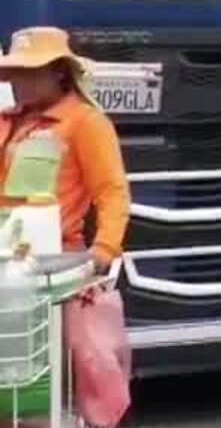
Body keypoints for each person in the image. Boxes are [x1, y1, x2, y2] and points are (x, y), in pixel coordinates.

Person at [0, 27, 130, 274]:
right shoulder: (5, 121)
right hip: (5, 260)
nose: (20, 80)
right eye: (16, 72)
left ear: (59, 72)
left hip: (52, 264)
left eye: (31, 71)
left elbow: (111, 191)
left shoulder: (85, 122)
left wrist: (103, 249)